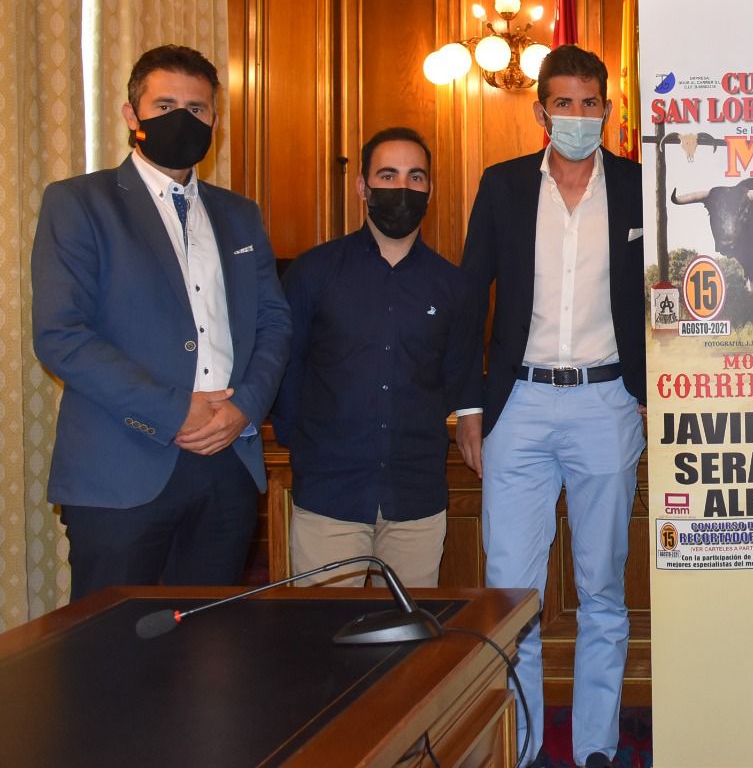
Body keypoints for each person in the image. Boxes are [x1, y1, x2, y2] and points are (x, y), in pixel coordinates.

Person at [32, 44, 291, 600]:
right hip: (120, 468)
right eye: (165, 105)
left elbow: (274, 322)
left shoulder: (240, 214)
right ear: (132, 115)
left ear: (215, 122)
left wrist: (245, 406)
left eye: (196, 109)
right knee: (108, 645)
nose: (183, 119)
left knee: (214, 642)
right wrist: (175, 411)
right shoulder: (80, 203)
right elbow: (61, 335)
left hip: (227, 466)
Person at [459, 44, 646, 768]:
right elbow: (471, 298)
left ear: (607, 109)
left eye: (589, 103)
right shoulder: (503, 185)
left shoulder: (636, 185)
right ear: (541, 112)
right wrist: (468, 409)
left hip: (608, 402)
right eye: (563, 103)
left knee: (603, 589)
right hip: (520, 406)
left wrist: (652, 395)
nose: (577, 115)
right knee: (512, 593)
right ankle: (525, 744)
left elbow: (666, 293)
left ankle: (596, 745)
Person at [273, 127, 480, 590]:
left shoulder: (454, 287)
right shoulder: (313, 273)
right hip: (330, 493)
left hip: (416, 496)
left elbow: (461, 377)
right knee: (324, 630)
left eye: (415, 177)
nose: (402, 188)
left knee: (408, 633)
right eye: (388, 176)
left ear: (430, 190)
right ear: (362, 187)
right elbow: (287, 368)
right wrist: (304, 446)